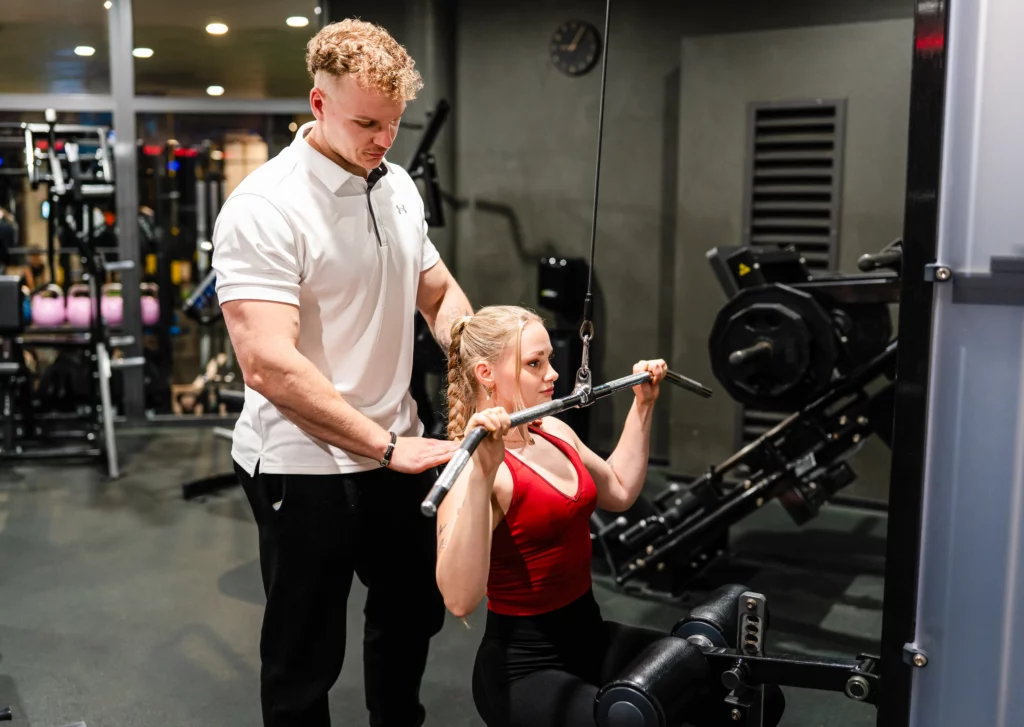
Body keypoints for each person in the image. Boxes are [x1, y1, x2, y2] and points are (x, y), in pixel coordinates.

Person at [212, 19, 472, 727]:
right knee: (306, 651)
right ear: (317, 104)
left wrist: (477, 365)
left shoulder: (397, 188)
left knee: (411, 615)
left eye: (392, 122)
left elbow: (440, 295)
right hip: (306, 461)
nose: (383, 140)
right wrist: (385, 446)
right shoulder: (265, 207)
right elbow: (268, 363)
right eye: (366, 122)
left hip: (397, 446)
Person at [435, 306, 785, 727]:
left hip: (590, 638)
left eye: (547, 359)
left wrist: (643, 405)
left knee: (748, 693)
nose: (553, 375)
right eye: (535, 363)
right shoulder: (473, 469)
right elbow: (459, 599)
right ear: (486, 374)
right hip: (523, 669)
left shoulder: (554, 431)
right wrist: (482, 473)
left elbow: (618, 489)